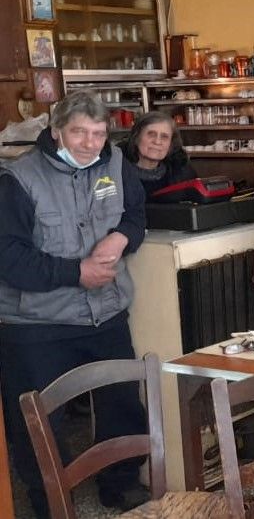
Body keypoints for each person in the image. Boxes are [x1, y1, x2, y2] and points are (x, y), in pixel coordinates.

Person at [0, 91, 150, 518]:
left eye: (99, 134)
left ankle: (119, 486)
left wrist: (122, 235)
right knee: (40, 421)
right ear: (56, 132)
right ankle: (49, 501)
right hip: (36, 322)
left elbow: (136, 216)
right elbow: (8, 258)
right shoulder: (18, 179)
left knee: (121, 403)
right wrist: (75, 273)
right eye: (79, 133)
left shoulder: (117, 165)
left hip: (105, 311)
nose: (89, 143)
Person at [122, 110, 198, 196]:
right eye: (151, 134)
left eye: (164, 137)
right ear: (136, 138)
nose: (157, 141)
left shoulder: (183, 173)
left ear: (171, 145)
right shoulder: (115, 172)